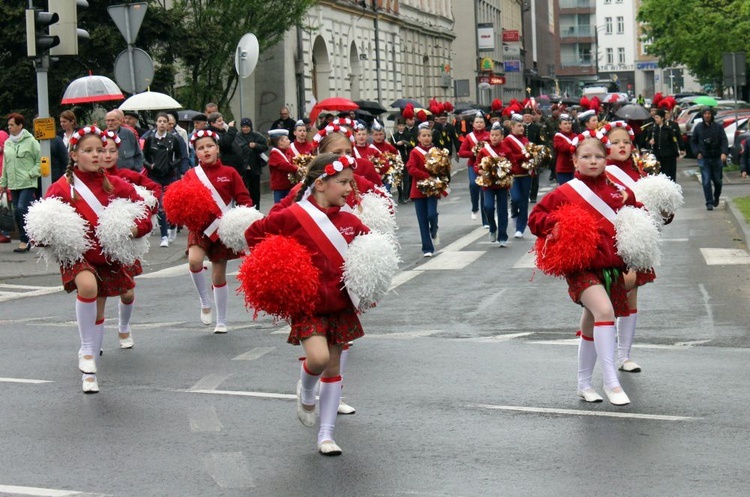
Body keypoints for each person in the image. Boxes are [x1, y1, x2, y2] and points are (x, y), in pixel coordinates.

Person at [244, 153, 369, 456]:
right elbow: (254, 235)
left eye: (350, 183)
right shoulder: (291, 216)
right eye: (342, 183)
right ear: (321, 184)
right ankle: (306, 389)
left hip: (340, 305)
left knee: (333, 366)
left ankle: (326, 435)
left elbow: (367, 255)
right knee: (318, 359)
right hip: (308, 304)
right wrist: (279, 267)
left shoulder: (352, 221)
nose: (349, 189)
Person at [528, 133, 639, 406]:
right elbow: (536, 218)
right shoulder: (565, 192)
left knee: (592, 320)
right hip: (580, 266)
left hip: (610, 267)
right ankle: (611, 381)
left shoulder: (617, 191)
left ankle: (584, 383)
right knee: (604, 311)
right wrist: (556, 226)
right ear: (575, 161)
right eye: (586, 157)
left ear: (606, 159)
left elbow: (640, 215)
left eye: (599, 157)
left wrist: (651, 207)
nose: (593, 162)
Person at [44, 126, 152, 393]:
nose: (95, 155)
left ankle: (90, 375)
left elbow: (144, 212)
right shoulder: (61, 187)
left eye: (99, 150)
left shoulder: (115, 184)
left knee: (100, 312)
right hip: (78, 255)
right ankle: (88, 352)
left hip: (106, 256)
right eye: (88, 150)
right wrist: (44, 236)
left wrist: (134, 228)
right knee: (88, 287)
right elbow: (42, 221)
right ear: (74, 154)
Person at [182, 130, 253, 333]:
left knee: (219, 275)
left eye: (209, 146)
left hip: (223, 228)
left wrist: (243, 220)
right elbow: (184, 200)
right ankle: (205, 301)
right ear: (196, 152)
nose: (206, 151)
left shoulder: (230, 172)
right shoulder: (191, 174)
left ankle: (221, 320)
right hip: (201, 227)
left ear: (217, 148)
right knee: (194, 261)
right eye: (201, 148)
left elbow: (244, 199)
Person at [603, 122, 657, 374]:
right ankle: (606, 353)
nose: (621, 146)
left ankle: (624, 356)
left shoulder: (639, 172)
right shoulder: (601, 172)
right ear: (606, 147)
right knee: (610, 298)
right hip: (609, 242)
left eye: (625, 141)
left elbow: (651, 209)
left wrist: (665, 213)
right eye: (615, 142)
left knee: (632, 294)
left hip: (635, 240)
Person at [101, 130, 162, 348]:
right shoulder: (85, 180)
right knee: (98, 294)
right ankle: (92, 341)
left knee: (127, 294)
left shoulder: (127, 176)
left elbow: (154, 189)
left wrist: (145, 208)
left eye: (112, 151)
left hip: (124, 243)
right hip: (98, 244)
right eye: (102, 151)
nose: (107, 155)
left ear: (118, 154)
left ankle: (124, 327)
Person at [142, 112, 184, 247]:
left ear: (168, 124)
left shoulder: (173, 139)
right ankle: (164, 236)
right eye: (159, 121)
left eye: (164, 121)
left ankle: (172, 227)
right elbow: (143, 157)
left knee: (169, 204)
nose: (162, 124)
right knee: (160, 206)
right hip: (155, 176)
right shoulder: (150, 139)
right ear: (156, 123)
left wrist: (171, 165)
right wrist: (150, 166)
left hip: (169, 175)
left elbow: (180, 156)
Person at [0, 113, 40, 252]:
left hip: (28, 183)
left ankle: (25, 239)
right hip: (13, 183)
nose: (9, 127)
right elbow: (5, 163)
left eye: (12, 125)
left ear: (20, 125)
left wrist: (31, 174)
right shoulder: (8, 143)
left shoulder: (31, 141)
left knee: (22, 208)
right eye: (9, 125)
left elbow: (40, 161)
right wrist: (3, 183)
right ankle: (26, 238)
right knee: (17, 211)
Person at [407, 122, 442, 257]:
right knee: (422, 219)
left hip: (433, 189)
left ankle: (434, 229)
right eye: (424, 136)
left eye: (428, 135)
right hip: (418, 190)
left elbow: (443, 168)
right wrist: (426, 176)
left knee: (432, 214)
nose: (426, 138)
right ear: (419, 138)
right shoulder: (415, 152)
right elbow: (411, 168)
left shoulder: (437, 152)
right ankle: (427, 248)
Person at [474, 122, 510, 246]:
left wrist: (506, 170)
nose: (494, 137)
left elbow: (513, 166)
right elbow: (476, 165)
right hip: (488, 184)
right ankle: (492, 227)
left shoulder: (506, 150)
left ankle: (503, 236)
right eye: (492, 135)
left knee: (502, 210)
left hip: (501, 185)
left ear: (502, 137)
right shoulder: (484, 150)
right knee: (488, 207)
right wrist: (480, 171)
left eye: (497, 135)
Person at [502, 114, 533, 239]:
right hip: (514, 174)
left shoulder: (526, 140)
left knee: (524, 201)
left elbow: (530, 155)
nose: (521, 128)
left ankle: (521, 227)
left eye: (522, 126)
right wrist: (523, 156)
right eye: (519, 126)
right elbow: (509, 157)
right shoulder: (507, 140)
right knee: (515, 198)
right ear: (512, 127)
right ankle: (514, 214)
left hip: (526, 174)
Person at [691, 107, 728, 210]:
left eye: (709, 114)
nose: (707, 115)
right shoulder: (698, 127)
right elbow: (693, 141)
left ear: (712, 115)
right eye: (705, 114)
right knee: (706, 181)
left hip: (716, 157)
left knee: (718, 181)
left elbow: (724, 140)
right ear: (703, 115)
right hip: (704, 158)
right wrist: (697, 152)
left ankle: (716, 196)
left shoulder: (718, 127)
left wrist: (724, 153)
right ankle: (709, 202)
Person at [457, 112, 490, 226]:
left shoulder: (489, 135)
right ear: (473, 124)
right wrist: (472, 153)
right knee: (473, 184)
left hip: (486, 166)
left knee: (484, 191)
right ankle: (474, 206)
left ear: (484, 124)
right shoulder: (469, 137)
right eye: (477, 122)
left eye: (481, 122)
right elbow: (461, 152)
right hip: (473, 164)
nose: (479, 124)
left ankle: (485, 220)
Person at [238, 117, 268, 209]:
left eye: (247, 126)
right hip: (242, 168)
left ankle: (256, 208)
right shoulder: (237, 136)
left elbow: (265, 146)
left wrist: (256, 145)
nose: (245, 129)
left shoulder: (257, 136)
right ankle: (243, 208)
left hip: (255, 168)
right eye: (243, 127)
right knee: (242, 190)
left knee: (255, 190)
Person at [646, 109, 681, 182]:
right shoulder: (652, 129)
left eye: (657, 117)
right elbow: (646, 142)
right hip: (657, 156)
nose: (656, 119)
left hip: (668, 157)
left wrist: (676, 154)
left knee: (667, 175)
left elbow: (673, 143)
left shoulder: (668, 129)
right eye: (655, 117)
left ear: (662, 118)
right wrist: (650, 142)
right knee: (657, 176)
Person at [206, 112, 244, 178]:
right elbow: (225, 142)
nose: (222, 122)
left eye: (222, 120)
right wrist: (231, 129)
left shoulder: (222, 131)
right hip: (227, 165)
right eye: (219, 121)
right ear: (212, 123)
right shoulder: (213, 134)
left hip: (235, 166)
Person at [267, 129, 297, 203]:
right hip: (280, 187)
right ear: (280, 142)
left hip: (287, 186)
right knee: (280, 207)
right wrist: (297, 168)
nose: (289, 141)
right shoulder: (275, 153)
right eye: (287, 139)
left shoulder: (286, 152)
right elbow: (285, 165)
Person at [391, 118, 414, 204]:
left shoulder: (408, 134)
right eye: (400, 126)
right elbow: (392, 146)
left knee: (406, 179)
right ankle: (400, 194)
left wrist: (404, 142)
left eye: (403, 126)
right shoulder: (395, 135)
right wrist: (395, 145)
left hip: (406, 158)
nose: (401, 127)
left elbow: (412, 144)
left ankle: (405, 195)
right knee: (398, 179)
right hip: (397, 159)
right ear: (397, 126)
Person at [553, 113, 576, 185]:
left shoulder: (575, 136)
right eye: (565, 124)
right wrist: (574, 145)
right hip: (563, 169)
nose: (568, 125)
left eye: (569, 123)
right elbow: (562, 148)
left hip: (574, 167)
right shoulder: (558, 137)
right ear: (560, 125)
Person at [0, 126, 10, 243]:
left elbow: (3, 148)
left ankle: (5, 232)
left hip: (3, 171)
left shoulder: (2, 134)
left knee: (5, 205)